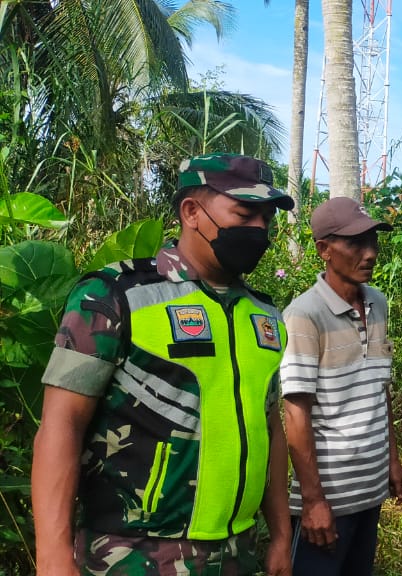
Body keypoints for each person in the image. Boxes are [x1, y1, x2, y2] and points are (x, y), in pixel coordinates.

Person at [32, 153, 296, 575]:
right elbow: (61, 424)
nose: (259, 230)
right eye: (245, 213)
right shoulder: (115, 296)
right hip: (131, 556)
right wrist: (51, 558)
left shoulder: (265, 315)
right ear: (192, 212)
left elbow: (269, 428)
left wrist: (281, 536)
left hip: (237, 555)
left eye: (267, 219)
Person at [280, 197, 402, 576]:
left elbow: (378, 389)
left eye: (373, 242)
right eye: (356, 244)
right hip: (327, 503)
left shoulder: (378, 304)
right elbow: (295, 411)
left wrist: (393, 461)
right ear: (324, 250)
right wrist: (313, 500)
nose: (369, 254)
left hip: (369, 490)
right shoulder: (304, 315)